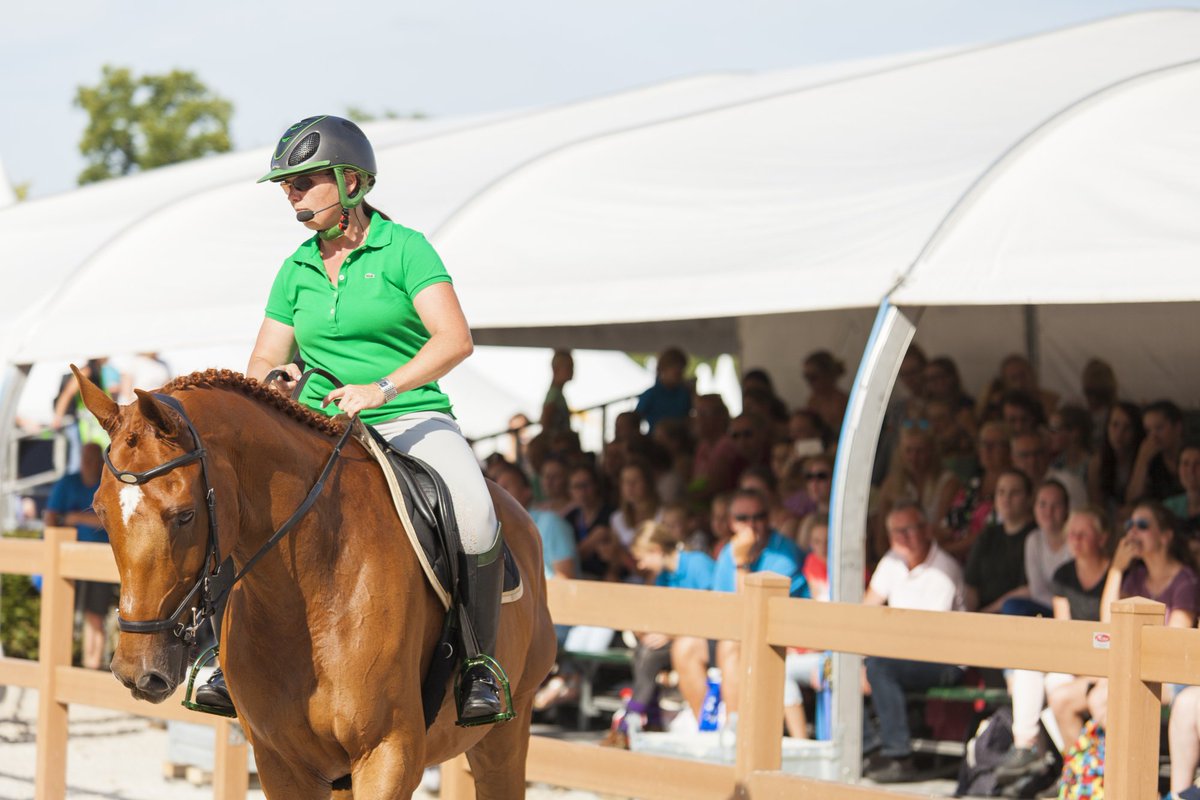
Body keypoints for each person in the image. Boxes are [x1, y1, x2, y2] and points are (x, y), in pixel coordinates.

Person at [204, 114, 506, 724]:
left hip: (408, 414)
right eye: (285, 185)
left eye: (304, 181)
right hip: (315, 422)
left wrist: (382, 387)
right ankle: (217, 657)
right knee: (230, 502)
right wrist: (273, 380)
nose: (291, 195)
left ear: (351, 182)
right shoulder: (296, 268)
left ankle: (479, 667)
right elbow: (265, 355)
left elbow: (455, 339)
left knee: (475, 512)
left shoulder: (405, 249)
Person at [996, 507, 1112, 782]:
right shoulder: (1063, 575)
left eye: (1084, 533)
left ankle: (1072, 772)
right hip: (1076, 660)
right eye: (1072, 533)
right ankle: (1027, 746)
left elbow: (1112, 629)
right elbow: (1065, 632)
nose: (1076, 539)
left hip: (1107, 662)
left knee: (1054, 690)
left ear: (1103, 538)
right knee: (1030, 669)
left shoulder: (1117, 574)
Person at [862, 501, 965, 783]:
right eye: (896, 531)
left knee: (879, 668)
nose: (903, 538)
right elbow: (866, 609)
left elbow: (927, 638)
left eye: (910, 529)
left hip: (944, 661)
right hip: (897, 654)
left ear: (927, 530)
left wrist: (872, 659)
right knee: (837, 664)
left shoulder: (944, 569)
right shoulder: (891, 561)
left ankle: (899, 755)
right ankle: (869, 749)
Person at [43, 442, 115, 671]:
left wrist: (75, 518)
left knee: (95, 614)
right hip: (67, 557)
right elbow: (51, 516)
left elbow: (109, 521)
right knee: (64, 611)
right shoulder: (68, 482)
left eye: (94, 459)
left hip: (100, 558)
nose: (89, 463)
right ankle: (66, 662)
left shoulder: (108, 485)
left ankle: (91, 665)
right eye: (86, 458)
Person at [964, 469, 1036, 613]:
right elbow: (971, 585)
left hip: (1019, 616)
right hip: (982, 616)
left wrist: (986, 613)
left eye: (1015, 492)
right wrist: (970, 617)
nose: (1006, 498)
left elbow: (1029, 590)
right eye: (1001, 492)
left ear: (1029, 498)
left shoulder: (1035, 537)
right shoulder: (987, 535)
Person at [1086, 401, 1144, 515]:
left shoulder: (1141, 458)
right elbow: (1096, 505)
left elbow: (1134, 499)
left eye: (1127, 427)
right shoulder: (1098, 462)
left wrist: (1143, 460)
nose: (1119, 433)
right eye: (1114, 425)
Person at [1010, 430, 1088, 510]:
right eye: (1025, 455)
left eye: (1038, 453)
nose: (1032, 460)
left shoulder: (1069, 483)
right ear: (1012, 458)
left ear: (1047, 454)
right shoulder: (1008, 485)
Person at [1127, 399, 1186, 503]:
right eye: (1148, 431)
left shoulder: (1192, 452)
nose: (1153, 437)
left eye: (1159, 428)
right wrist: (1142, 461)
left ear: (1177, 427)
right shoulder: (1153, 460)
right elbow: (1132, 499)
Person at [636, 347, 691, 433]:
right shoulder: (651, 394)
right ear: (663, 369)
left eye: (681, 372)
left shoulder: (685, 394)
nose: (680, 375)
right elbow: (634, 420)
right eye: (676, 372)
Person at [802, 350, 849, 433]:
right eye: (806, 377)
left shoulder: (844, 402)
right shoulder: (812, 402)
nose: (809, 383)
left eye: (813, 377)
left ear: (828, 375)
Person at [540, 349, 574, 434]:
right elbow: (545, 422)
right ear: (556, 369)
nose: (572, 371)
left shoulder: (557, 394)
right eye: (568, 367)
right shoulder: (554, 394)